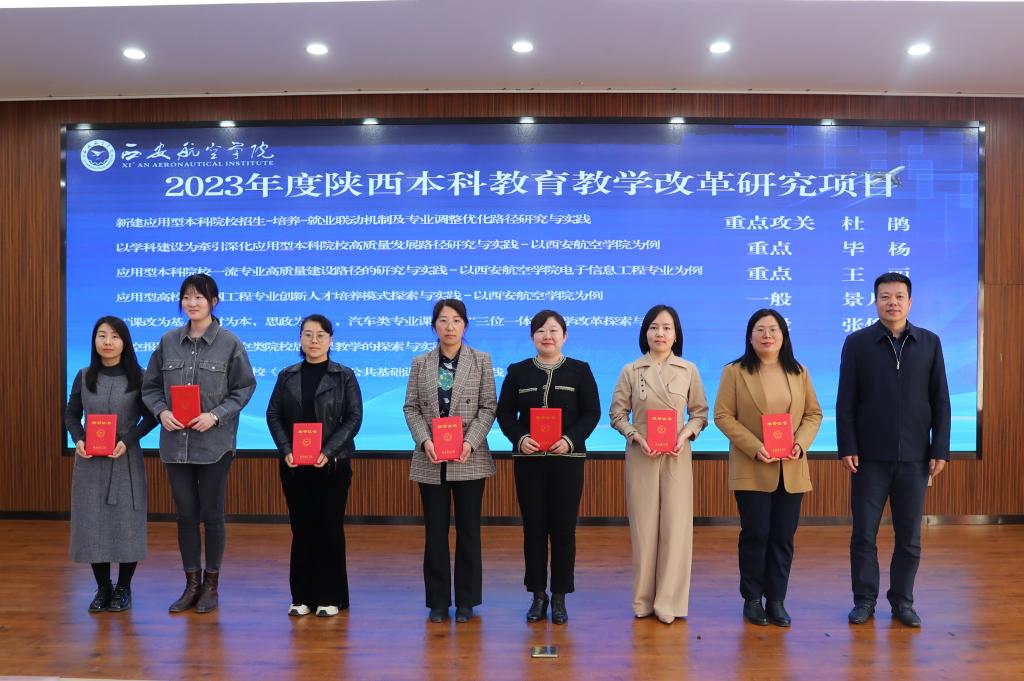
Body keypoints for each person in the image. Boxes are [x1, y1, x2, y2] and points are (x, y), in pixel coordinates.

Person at [837, 272, 950, 628]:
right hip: (869, 459)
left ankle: (903, 601)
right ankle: (864, 601)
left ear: (910, 302)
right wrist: (847, 446)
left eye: (899, 296)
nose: (892, 302)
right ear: (875, 301)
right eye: (885, 296)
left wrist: (940, 449)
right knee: (863, 535)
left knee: (910, 539)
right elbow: (845, 401)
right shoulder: (857, 343)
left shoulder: (929, 343)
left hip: (915, 459)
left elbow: (941, 401)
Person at [141, 273, 256, 614]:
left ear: (213, 302)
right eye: (187, 297)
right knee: (185, 516)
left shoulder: (230, 343)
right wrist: (161, 412)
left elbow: (244, 388)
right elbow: (150, 388)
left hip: (214, 445)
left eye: (199, 297)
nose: (192, 303)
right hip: (175, 445)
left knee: (212, 515)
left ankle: (211, 586)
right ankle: (191, 585)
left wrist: (216, 415)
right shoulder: (168, 342)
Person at [713, 309, 822, 627]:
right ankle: (752, 599)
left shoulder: (799, 371)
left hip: (791, 468)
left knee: (783, 537)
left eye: (773, 329)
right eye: (760, 329)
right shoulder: (734, 372)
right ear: (750, 337)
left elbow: (813, 414)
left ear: (784, 336)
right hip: (753, 466)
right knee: (756, 534)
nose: (767, 335)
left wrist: (800, 443)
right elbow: (723, 415)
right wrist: (754, 446)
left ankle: (776, 600)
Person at [496, 310, 601, 625]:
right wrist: (520, 438)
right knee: (534, 529)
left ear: (564, 336)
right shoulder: (518, 372)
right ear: (532, 337)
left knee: (564, 530)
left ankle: (560, 596)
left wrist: (570, 439)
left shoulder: (580, 370)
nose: (547, 336)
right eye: (541, 330)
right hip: (529, 463)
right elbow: (504, 414)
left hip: (567, 462)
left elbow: (592, 413)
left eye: (554, 330)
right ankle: (537, 595)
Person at [609, 304, 709, 624]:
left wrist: (685, 434)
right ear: (645, 333)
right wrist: (635, 435)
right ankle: (643, 600)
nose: (660, 333)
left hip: (677, 455)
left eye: (667, 328)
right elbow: (616, 413)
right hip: (642, 454)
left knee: (675, 529)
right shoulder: (631, 370)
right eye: (654, 327)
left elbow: (700, 413)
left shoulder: (689, 369)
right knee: (644, 529)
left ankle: (669, 602)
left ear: (676, 334)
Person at [403, 299, 497, 623]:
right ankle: (438, 601)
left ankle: (467, 601)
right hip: (431, 458)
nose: (450, 326)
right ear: (434, 326)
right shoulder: (420, 363)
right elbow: (411, 407)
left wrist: (471, 442)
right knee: (435, 533)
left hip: (469, 457)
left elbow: (488, 406)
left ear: (465, 325)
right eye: (443, 320)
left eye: (456, 320)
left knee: (469, 531)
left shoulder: (481, 360)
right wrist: (424, 440)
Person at [266, 314, 363, 617]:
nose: (314, 340)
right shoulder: (287, 375)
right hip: (295, 465)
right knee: (301, 529)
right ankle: (302, 597)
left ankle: (330, 596)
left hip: (332, 465)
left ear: (330, 340)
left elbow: (354, 418)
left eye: (320, 335)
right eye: (307, 334)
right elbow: (273, 414)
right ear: (300, 339)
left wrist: (329, 451)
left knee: (329, 528)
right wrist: (286, 449)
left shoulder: (344, 376)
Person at [64, 316, 158, 613]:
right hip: (90, 461)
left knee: (126, 524)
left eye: (115, 336)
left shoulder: (140, 377)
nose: (107, 342)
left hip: (124, 457)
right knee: (93, 524)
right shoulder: (84, 375)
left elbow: (151, 417)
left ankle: (123, 588)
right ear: (94, 340)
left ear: (125, 342)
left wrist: (128, 440)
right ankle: (103, 587)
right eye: (102, 336)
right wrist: (78, 438)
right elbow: (71, 413)